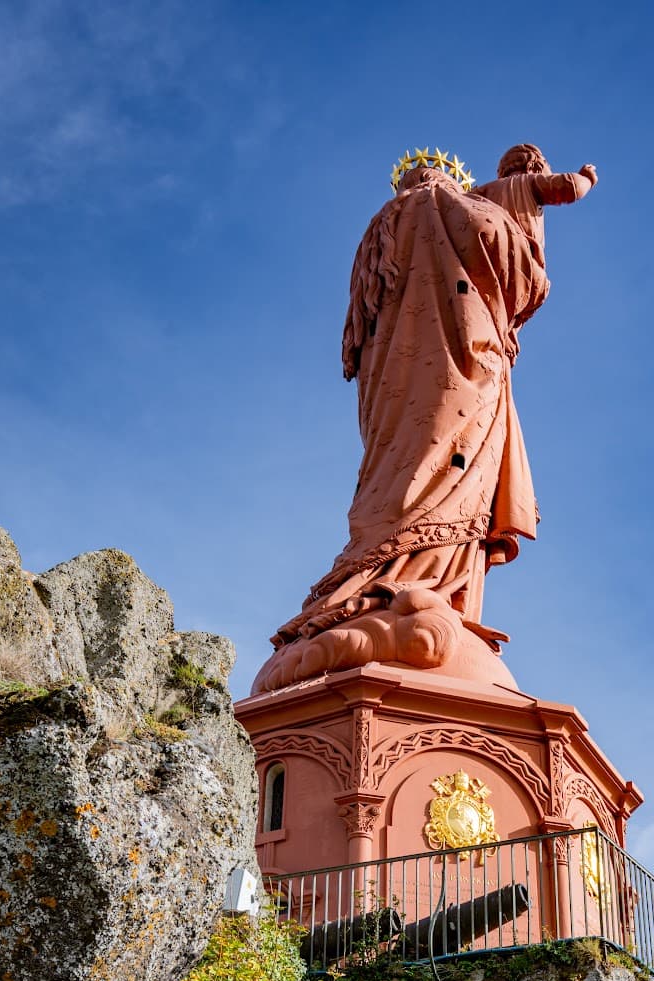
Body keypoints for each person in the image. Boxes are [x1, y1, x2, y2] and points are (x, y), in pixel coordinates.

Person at [252, 146, 597, 694]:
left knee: (399, 471)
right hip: (456, 372)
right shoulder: (446, 204)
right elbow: (513, 265)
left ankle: (378, 583)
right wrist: (531, 200)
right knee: (444, 468)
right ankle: (421, 587)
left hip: (394, 389)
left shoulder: (379, 233)